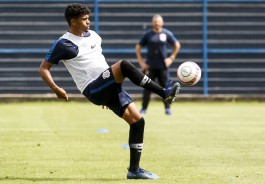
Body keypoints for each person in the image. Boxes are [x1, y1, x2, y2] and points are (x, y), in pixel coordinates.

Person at [39, 3, 180, 180]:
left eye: (88, 18)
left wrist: (110, 88)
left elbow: (100, 64)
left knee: (138, 121)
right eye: (84, 19)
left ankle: (134, 170)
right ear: (73, 21)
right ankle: (164, 93)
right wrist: (56, 88)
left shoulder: (95, 36)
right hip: (92, 88)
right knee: (123, 65)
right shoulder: (64, 44)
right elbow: (43, 68)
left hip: (106, 86)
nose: (88, 22)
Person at [136, 14, 181, 115]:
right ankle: (143, 109)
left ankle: (167, 109)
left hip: (162, 67)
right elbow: (138, 47)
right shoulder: (148, 34)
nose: (157, 23)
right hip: (150, 67)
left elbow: (177, 45)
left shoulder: (166, 34)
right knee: (147, 88)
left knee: (165, 89)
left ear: (162, 23)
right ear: (153, 23)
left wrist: (171, 58)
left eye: (159, 21)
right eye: (155, 21)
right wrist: (142, 63)